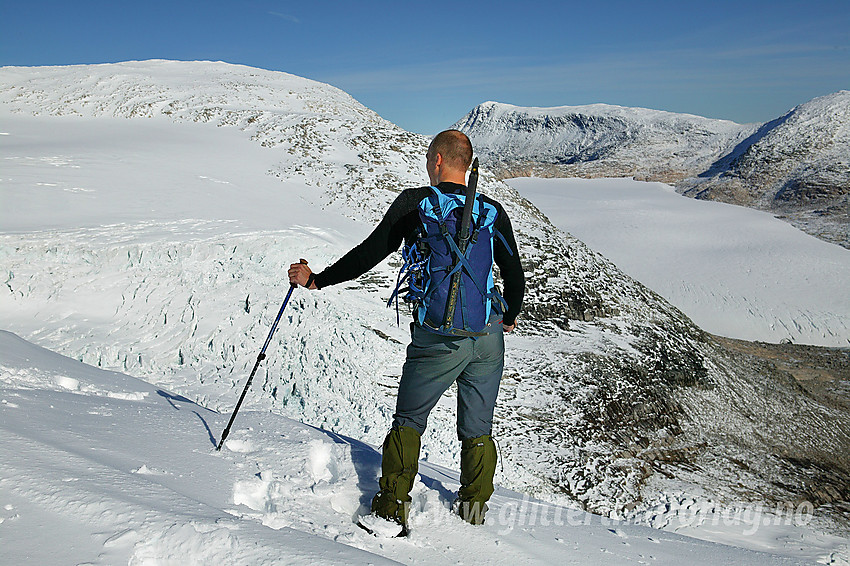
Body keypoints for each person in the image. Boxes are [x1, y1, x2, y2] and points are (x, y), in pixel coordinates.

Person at [288, 129, 524, 533]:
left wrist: (318, 280)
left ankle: (391, 508)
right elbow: (514, 271)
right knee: (478, 427)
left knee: (409, 419)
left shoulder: (415, 204)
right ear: (466, 165)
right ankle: (473, 510)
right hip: (487, 337)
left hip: (438, 338)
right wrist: (510, 315)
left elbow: (371, 251)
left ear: (437, 161)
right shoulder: (491, 210)